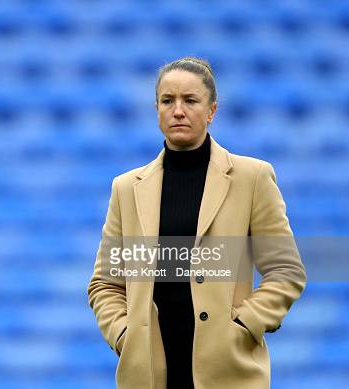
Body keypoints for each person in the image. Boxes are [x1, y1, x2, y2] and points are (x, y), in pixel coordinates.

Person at [87, 57, 307, 389]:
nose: (178, 110)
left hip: (229, 373)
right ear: (157, 109)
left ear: (211, 111)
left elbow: (286, 271)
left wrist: (245, 325)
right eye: (167, 100)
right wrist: (124, 335)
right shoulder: (125, 188)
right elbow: (105, 283)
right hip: (149, 376)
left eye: (190, 100)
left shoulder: (252, 178)